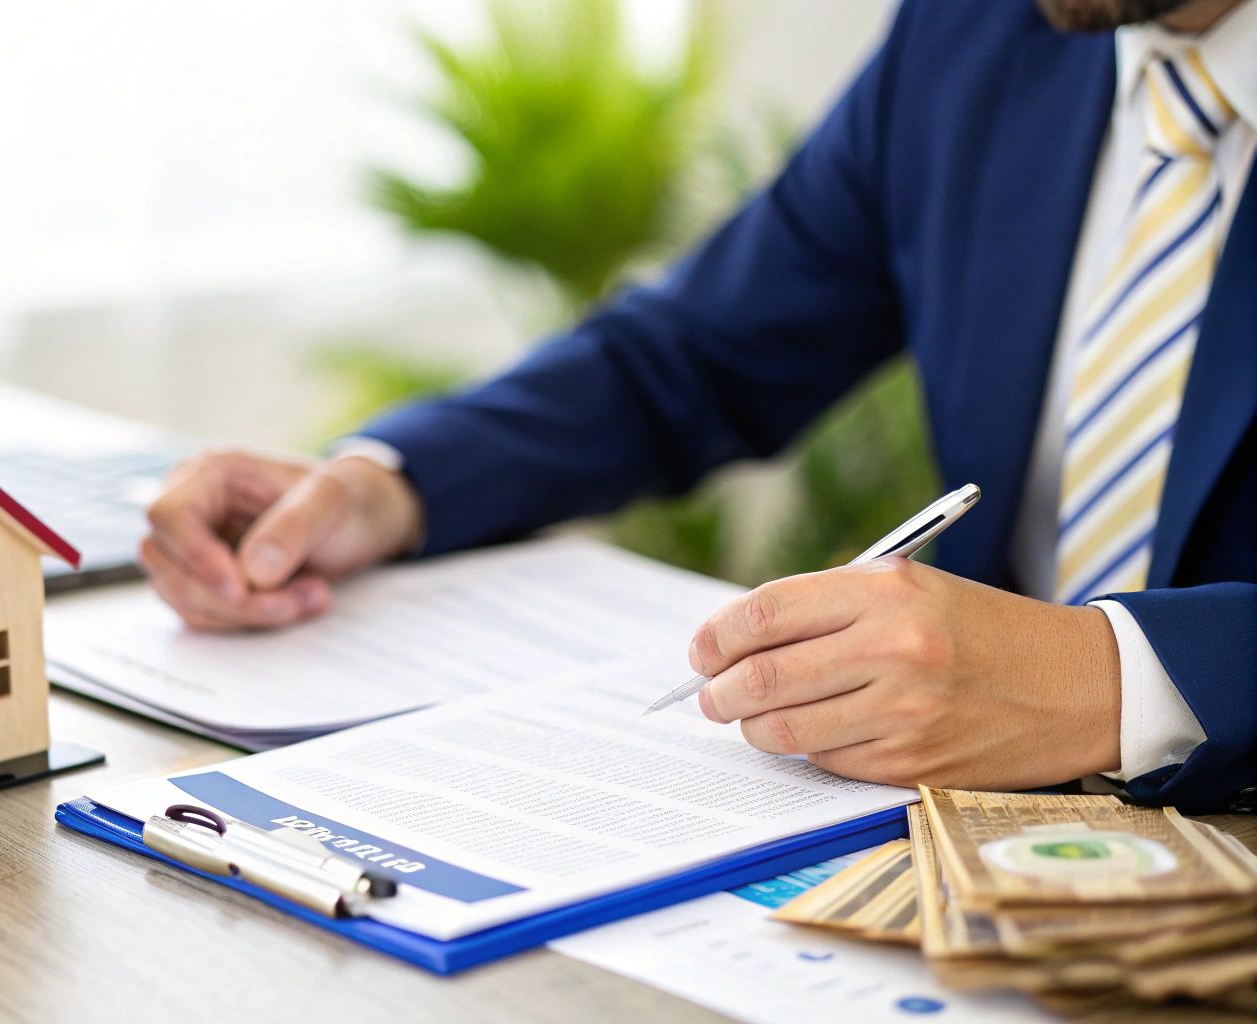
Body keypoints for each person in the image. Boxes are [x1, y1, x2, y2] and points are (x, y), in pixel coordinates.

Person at [138, 0, 1257, 813]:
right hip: (998, 860)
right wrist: (391, 482)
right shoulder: (972, 35)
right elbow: (696, 350)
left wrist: (1106, 676)